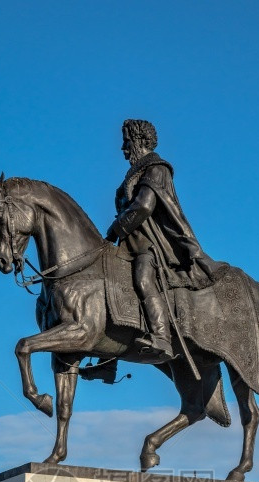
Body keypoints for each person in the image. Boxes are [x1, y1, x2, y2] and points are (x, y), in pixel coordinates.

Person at [106, 119, 214, 362]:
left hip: (152, 246)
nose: (123, 149)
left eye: (127, 143)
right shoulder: (134, 173)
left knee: (143, 280)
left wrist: (117, 227)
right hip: (129, 245)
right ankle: (107, 358)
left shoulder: (157, 169)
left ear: (141, 141)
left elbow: (144, 206)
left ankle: (161, 337)